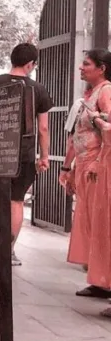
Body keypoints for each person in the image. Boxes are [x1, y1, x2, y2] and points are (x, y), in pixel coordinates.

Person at [0, 43, 53, 266]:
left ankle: (2, 232)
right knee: (17, 200)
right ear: (31, 64)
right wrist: (44, 156)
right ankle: (7, 248)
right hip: (24, 152)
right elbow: (44, 128)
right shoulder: (37, 88)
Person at [62, 50, 111, 298]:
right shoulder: (90, 94)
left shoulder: (106, 91)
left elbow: (108, 129)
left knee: (100, 224)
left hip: (97, 168)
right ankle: (99, 280)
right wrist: (68, 168)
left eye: (86, 64)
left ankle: (104, 280)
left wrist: (97, 162)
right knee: (90, 223)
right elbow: (76, 136)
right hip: (85, 166)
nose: (81, 68)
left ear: (101, 68)